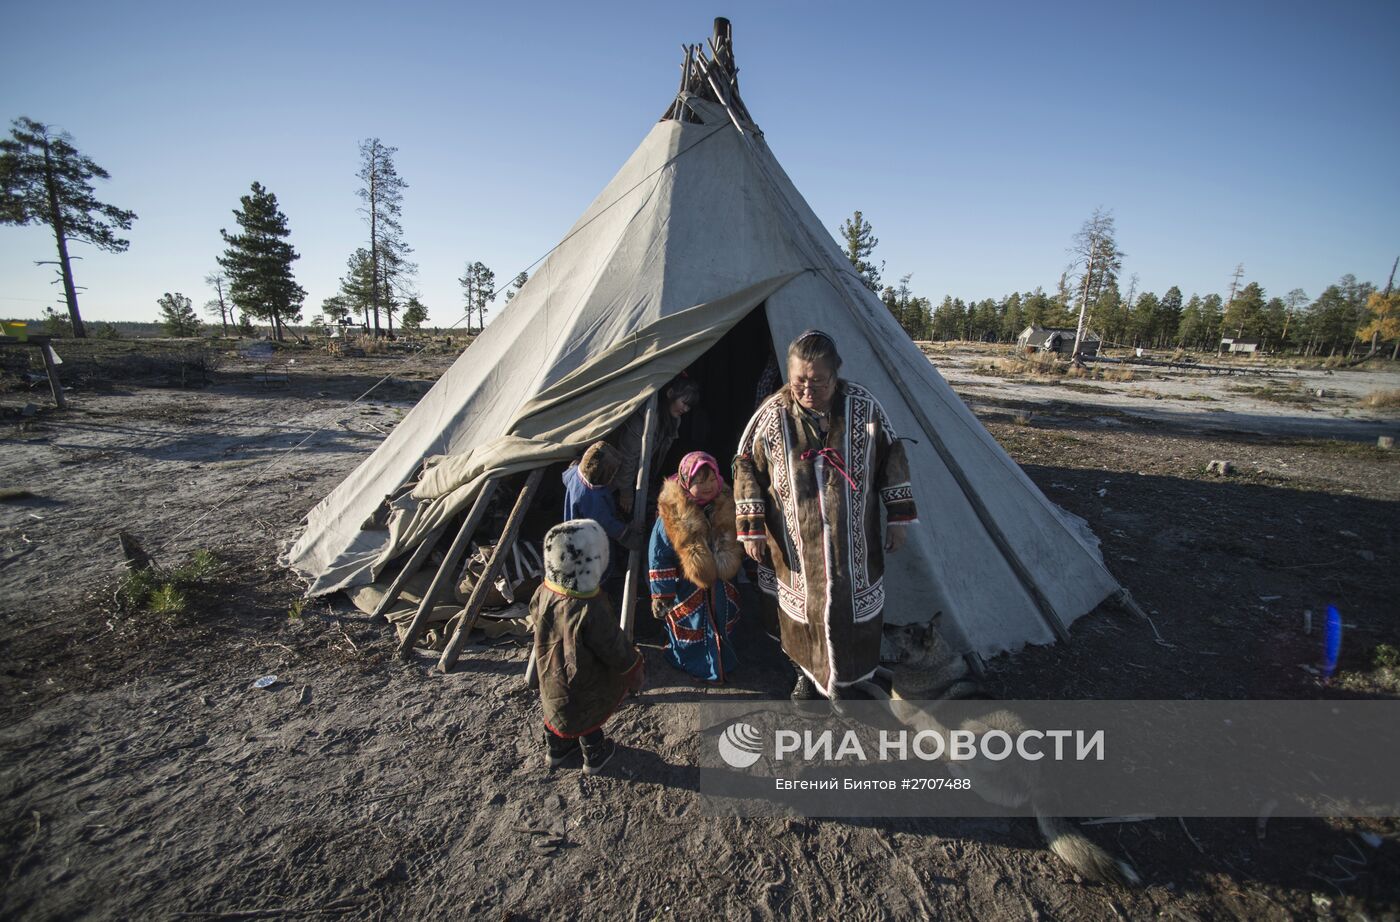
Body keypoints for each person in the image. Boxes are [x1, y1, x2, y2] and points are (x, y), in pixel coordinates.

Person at [733, 330, 919, 701]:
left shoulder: (864, 408)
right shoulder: (772, 415)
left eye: (818, 381)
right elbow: (745, 466)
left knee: (853, 610)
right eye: (799, 380)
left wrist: (899, 518)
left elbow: (892, 458)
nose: (807, 389)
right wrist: (751, 528)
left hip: (854, 541)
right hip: (794, 545)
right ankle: (804, 675)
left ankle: (851, 677)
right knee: (800, 616)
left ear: (836, 375)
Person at [532, 519, 645, 773]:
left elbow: (534, 614)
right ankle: (594, 754)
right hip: (582, 672)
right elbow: (611, 644)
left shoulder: (544, 591)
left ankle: (557, 749)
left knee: (555, 704)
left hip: (550, 667)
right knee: (584, 707)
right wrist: (633, 665)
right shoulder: (589, 607)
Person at [648, 452, 743, 683]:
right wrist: (663, 593)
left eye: (712, 479)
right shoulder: (672, 516)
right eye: (700, 482)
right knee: (691, 630)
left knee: (721, 624)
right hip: (688, 587)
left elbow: (738, 539)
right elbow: (659, 555)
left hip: (720, 585)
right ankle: (690, 661)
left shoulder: (727, 505)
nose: (709, 486)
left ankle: (723, 660)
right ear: (686, 482)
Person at [612, 375, 702, 516]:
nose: (685, 409)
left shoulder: (673, 420)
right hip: (619, 478)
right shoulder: (645, 417)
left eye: (689, 406)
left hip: (643, 478)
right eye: (684, 403)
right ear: (670, 393)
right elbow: (628, 456)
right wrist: (625, 492)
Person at [562, 441, 638, 585]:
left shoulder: (575, 475)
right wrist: (628, 534)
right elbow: (607, 524)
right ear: (604, 474)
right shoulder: (593, 497)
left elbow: (565, 476)